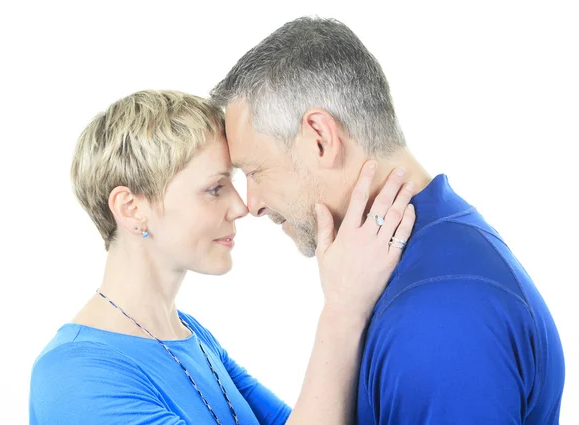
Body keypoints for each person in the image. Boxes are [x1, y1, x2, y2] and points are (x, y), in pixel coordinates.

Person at [210, 16, 566, 425]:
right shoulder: (429, 260)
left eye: (255, 171)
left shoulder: (442, 315)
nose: (251, 204)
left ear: (320, 139)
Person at [29, 90, 416, 425]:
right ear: (130, 208)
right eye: (215, 188)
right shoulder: (74, 375)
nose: (241, 206)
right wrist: (343, 308)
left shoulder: (190, 336)